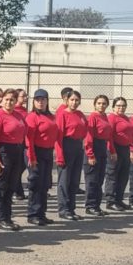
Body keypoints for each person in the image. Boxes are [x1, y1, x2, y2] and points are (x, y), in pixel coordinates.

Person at [0, 89, 26, 230]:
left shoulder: (18, 115)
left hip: (17, 151)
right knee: (1, 187)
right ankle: (0, 219)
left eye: (12, 100)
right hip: (4, 151)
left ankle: (7, 217)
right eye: (6, 99)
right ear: (2, 100)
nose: (9, 102)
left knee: (11, 186)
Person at [25, 89, 58, 226]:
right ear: (33, 102)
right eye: (37, 100)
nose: (40, 102)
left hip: (48, 152)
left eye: (43, 99)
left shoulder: (51, 117)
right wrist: (32, 157)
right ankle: (33, 214)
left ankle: (41, 213)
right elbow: (29, 140)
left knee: (45, 184)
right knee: (36, 184)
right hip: (36, 152)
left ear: (47, 101)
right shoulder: (32, 117)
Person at [55, 90, 87, 221]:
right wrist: (60, 156)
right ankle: (63, 209)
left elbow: (85, 130)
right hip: (66, 146)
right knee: (64, 181)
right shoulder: (62, 114)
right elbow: (58, 137)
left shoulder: (80, 114)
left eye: (77, 100)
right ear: (67, 101)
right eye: (72, 100)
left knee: (74, 180)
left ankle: (71, 208)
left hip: (77, 147)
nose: (74, 102)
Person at [84, 95, 115, 216]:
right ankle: (90, 206)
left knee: (100, 179)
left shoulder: (104, 116)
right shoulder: (93, 117)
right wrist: (90, 155)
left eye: (104, 103)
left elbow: (109, 135)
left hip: (102, 147)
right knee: (92, 179)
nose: (101, 105)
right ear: (95, 104)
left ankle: (97, 205)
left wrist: (112, 150)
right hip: (94, 147)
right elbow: (89, 136)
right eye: (99, 103)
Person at [104, 97, 133, 212]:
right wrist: (112, 151)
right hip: (115, 148)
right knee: (113, 175)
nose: (121, 108)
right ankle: (110, 201)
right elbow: (109, 135)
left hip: (125, 149)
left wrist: (131, 149)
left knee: (123, 175)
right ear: (113, 107)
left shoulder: (125, 118)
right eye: (118, 106)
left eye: (123, 106)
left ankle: (119, 199)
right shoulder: (112, 118)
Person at [13, 88, 29, 200]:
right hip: (17, 142)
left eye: (26, 95)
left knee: (21, 166)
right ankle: (17, 191)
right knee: (18, 167)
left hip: (24, 141)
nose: (25, 98)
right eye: (23, 96)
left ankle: (18, 190)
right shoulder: (15, 110)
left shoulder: (24, 110)